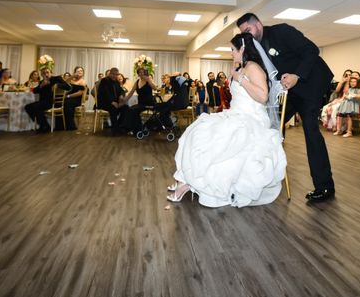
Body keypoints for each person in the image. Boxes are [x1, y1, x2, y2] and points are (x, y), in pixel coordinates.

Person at [167, 32, 287, 207]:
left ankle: (190, 183)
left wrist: (241, 80)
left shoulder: (254, 67)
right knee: (199, 129)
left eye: (233, 49)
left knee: (219, 138)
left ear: (243, 48)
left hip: (251, 118)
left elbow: (262, 97)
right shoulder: (239, 67)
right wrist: (237, 73)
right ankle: (188, 180)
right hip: (235, 113)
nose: (231, 52)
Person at [237, 12, 335, 203]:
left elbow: (312, 50)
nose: (247, 35)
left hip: (311, 83)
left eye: (248, 30)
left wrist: (297, 76)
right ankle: (267, 177)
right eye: (243, 32)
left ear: (258, 23)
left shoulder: (282, 31)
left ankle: (324, 186)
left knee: (310, 129)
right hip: (289, 90)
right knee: (270, 124)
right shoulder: (254, 46)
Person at [25, 67, 72, 133]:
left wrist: (57, 85)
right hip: (43, 102)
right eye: (44, 73)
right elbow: (35, 91)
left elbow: (68, 87)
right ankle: (44, 125)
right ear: (41, 75)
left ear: (51, 73)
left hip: (53, 102)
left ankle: (44, 126)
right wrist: (41, 85)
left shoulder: (56, 78)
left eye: (47, 72)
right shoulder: (41, 82)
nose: (46, 74)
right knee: (28, 107)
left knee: (36, 107)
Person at [120, 67, 157, 133]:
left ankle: (138, 129)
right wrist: (124, 100)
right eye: (140, 72)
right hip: (141, 103)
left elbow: (155, 88)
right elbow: (131, 93)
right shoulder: (137, 82)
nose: (141, 73)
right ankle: (136, 128)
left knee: (134, 110)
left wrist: (148, 80)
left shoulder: (148, 79)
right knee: (130, 109)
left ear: (145, 73)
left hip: (149, 103)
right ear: (138, 74)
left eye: (143, 72)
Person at [95, 67, 124, 133]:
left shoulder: (116, 82)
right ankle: (115, 129)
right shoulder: (104, 81)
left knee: (126, 108)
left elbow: (121, 90)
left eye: (116, 74)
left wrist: (121, 95)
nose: (115, 76)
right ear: (110, 74)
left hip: (115, 102)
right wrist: (112, 102)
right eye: (113, 74)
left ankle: (119, 125)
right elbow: (105, 93)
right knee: (113, 108)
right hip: (104, 103)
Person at [63, 66, 87, 130]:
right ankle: (62, 125)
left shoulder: (83, 81)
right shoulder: (72, 80)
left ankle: (71, 125)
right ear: (75, 72)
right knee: (63, 102)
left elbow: (80, 93)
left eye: (81, 71)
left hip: (77, 99)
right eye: (78, 71)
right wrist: (72, 76)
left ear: (83, 73)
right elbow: (65, 83)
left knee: (67, 103)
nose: (80, 72)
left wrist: (68, 96)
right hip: (69, 98)